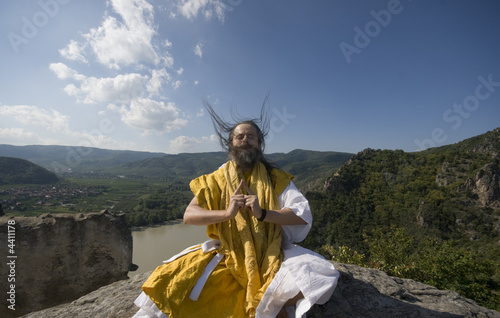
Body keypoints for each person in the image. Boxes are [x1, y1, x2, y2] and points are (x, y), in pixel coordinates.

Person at [132, 101, 339, 318]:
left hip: (271, 251)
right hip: (226, 251)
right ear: (231, 143)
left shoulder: (276, 179)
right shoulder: (218, 178)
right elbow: (189, 215)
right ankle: (268, 307)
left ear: (259, 143)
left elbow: (301, 215)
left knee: (322, 275)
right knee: (176, 281)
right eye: (239, 136)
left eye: (251, 136)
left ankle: (266, 305)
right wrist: (227, 213)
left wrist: (263, 213)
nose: (245, 140)